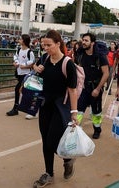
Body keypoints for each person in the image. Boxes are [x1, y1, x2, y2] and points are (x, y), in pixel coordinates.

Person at [32, 30, 78, 187]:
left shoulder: (68, 64)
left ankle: (67, 158)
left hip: (60, 107)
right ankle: (49, 174)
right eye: (43, 44)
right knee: (45, 141)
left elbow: (72, 90)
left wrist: (74, 112)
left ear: (58, 44)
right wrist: (35, 67)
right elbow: (35, 68)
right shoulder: (44, 58)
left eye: (49, 45)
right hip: (45, 105)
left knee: (52, 140)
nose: (45, 48)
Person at [75, 33, 109, 139]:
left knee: (96, 111)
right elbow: (78, 69)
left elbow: (106, 73)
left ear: (92, 43)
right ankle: (76, 128)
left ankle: (97, 129)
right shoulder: (80, 54)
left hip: (95, 87)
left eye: (86, 40)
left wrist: (98, 89)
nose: (83, 42)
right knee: (79, 110)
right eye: (83, 40)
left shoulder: (100, 56)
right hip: (83, 88)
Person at [6, 34, 35, 117]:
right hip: (19, 73)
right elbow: (16, 57)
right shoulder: (18, 49)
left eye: (21, 39)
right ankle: (31, 108)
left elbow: (32, 63)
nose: (19, 40)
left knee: (17, 89)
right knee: (26, 91)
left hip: (26, 74)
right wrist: (15, 63)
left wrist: (25, 65)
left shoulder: (30, 52)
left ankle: (16, 108)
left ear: (25, 41)